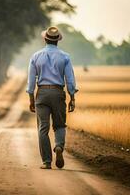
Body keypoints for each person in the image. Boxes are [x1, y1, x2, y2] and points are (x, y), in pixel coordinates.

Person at [26, 26, 78, 169]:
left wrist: (31, 99)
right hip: (58, 92)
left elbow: (31, 83)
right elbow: (70, 81)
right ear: (57, 41)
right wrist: (72, 97)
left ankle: (47, 162)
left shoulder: (35, 56)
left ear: (45, 39)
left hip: (42, 94)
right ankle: (59, 147)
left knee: (43, 128)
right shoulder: (65, 57)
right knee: (59, 125)